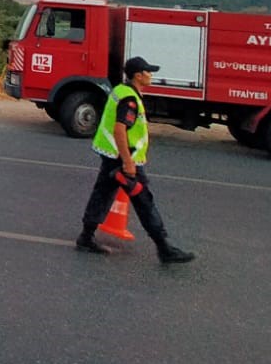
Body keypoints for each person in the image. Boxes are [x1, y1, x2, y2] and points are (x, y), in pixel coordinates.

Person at [76, 56, 196, 264]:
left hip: (112, 155)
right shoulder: (129, 100)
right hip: (124, 158)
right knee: (143, 200)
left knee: (102, 193)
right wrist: (128, 163)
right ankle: (164, 247)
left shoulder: (121, 91)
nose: (151, 75)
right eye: (148, 72)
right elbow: (119, 129)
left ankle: (86, 237)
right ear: (138, 76)